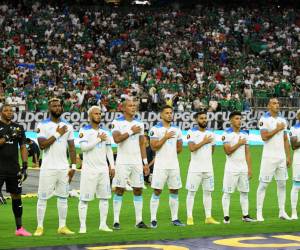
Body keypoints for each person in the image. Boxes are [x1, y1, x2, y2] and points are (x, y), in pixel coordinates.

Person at [34, 98, 77, 236]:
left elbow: (71, 147)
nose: (57, 108)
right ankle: (39, 227)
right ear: (49, 108)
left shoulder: (68, 126)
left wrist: (74, 166)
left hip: (64, 167)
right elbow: (42, 145)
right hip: (48, 167)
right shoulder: (43, 125)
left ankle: (62, 226)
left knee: (63, 197)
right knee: (42, 197)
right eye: (54, 106)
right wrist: (58, 133)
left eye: (59, 105)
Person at [111, 98, 149, 230]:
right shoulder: (117, 122)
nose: (133, 108)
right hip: (122, 162)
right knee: (120, 189)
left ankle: (139, 221)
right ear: (123, 108)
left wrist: (145, 163)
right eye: (130, 106)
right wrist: (131, 131)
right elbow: (116, 139)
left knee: (138, 190)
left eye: (134, 106)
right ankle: (116, 221)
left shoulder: (140, 123)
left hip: (137, 162)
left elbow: (142, 144)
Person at [78, 106, 115, 233]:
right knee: (84, 199)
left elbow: (109, 150)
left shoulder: (106, 132)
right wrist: (99, 139)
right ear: (90, 116)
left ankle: (103, 224)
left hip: (103, 170)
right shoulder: (84, 130)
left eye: (100, 114)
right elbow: (83, 148)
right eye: (96, 114)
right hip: (89, 170)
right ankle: (83, 226)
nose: (99, 115)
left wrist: (112, 166)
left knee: (104, 198)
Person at [149, 105, 185, 228]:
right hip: (160, 166)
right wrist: (165, 137)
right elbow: (154, 147)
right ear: (161, 115)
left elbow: (179, 148)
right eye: (167, 113)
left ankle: (175, 219)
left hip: (174, 165)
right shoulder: (155, 129)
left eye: (171, 112)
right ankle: (153, 219)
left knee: (174, 190)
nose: (169, 115)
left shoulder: (177, 130)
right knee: (157, 191)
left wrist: (172, 150)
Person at [256, 98, 291, 221]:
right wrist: (277, 129)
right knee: (263, 185)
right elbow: (264, 137)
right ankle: (259, 213)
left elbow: (285, 139)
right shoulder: (263, 120)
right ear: (268, 106)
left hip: (281, 157)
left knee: (282, 184)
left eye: (277, 103)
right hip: (268, 158)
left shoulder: (282, 120)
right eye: (274, 103)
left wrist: (288, 156)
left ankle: (282, 212)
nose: (277, 105)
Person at [0, 104, 31, 236]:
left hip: (13, 168)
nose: (9, 112)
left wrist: (24, 165)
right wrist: (7, 137)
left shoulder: (19, 127)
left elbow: (23, 146)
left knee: (16, 197)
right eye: (6, 110)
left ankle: (19, 228)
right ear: (1, 112)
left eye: (11, 110)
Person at [186, 111, 220, 225]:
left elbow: (213, 149)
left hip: (208, 168)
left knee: (208, 193)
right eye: (201, 118)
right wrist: (204, 141)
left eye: (205, 118)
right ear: (196, 120)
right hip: (195, 169)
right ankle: (189, 217)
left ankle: (208, 217)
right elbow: (192, 148)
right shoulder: (191, 132)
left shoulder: (212, 133)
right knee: (191, 192)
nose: (204, 120)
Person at [222, 111, 255, 224]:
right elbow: (227, 151)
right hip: (231, 168)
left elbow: (247, 153)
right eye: (236, 118)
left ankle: (245, 216)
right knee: (227, 193)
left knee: (244, 192)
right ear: (231, 120)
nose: (239, 121)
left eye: (240, 118)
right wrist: (239, 143)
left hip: (243, 168)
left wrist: (249, 168)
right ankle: (226, 217)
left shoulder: (245, 134)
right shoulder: (226, 134)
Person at [289, 109, 300, 220]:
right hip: (298, 160)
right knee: (297, 186)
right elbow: (294, 145)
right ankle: (293, 212)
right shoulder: (294, 129)